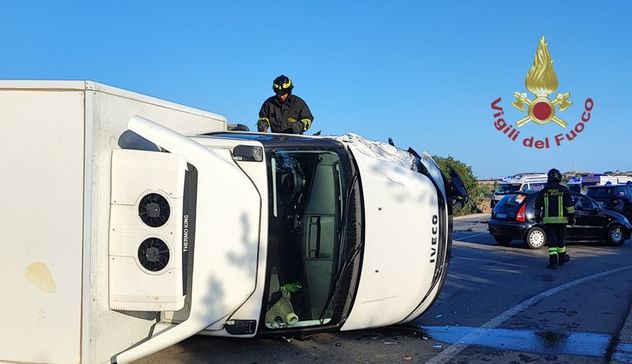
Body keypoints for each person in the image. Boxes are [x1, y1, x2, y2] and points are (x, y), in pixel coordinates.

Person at [534, 168, 576, 270]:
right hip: (562, 221)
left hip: (549, 221)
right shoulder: (564, 190)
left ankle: (553, 263)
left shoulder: (544, 191)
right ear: (559, 177)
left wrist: (537, 217)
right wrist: (571, 218)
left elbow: (537, 205)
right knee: (561, 241)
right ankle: (561, 260)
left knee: (552, 243)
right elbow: (570, 206)